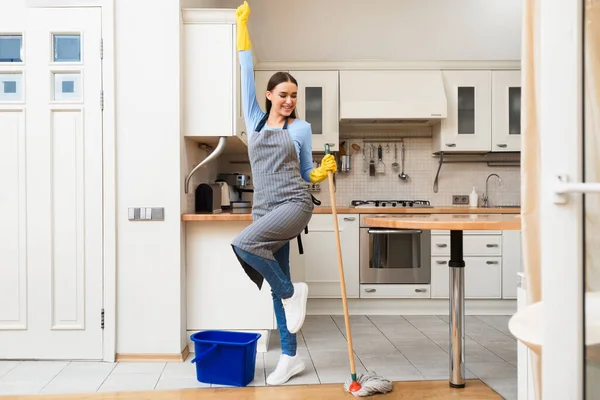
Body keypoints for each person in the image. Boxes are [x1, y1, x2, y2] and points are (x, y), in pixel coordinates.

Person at [230, 0, 337, 386]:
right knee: (277, 288)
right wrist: (242, 25)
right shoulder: (254, 118)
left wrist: (321, 172)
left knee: (244, 245)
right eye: (283, 94)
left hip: (295, 203)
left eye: (294, 94)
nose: (290, 100)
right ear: (270, 95)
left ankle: (294, 292)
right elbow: (245, 68)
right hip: (265, 210)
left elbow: (307, 172)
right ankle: (289, 358)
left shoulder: (302, 129)